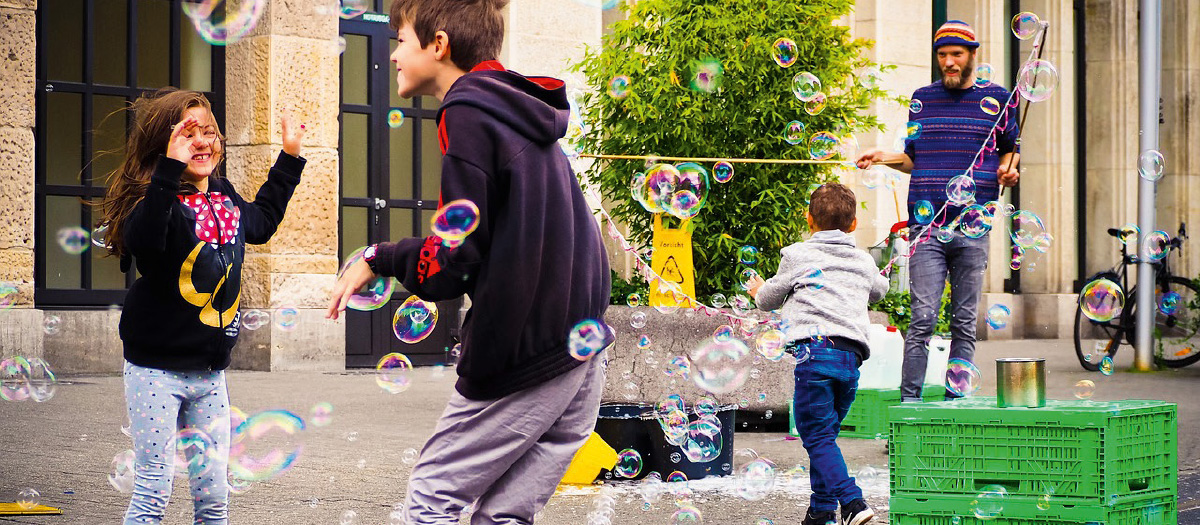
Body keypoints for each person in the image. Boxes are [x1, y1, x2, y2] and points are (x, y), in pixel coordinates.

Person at [325, 0, 610, 523]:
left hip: (527, 350)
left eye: (401, 40)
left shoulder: (468, 111)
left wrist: (381, 255)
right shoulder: (517, 108)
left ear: (438, 45)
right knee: (503, 515)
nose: (392, 56)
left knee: (432, 497)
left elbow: (451, 258)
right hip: (581, 344)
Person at [95, 87, 306, 524]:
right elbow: (147, 245)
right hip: (155, 369)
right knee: (154, 489)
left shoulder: (225, 196)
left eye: (209, 131)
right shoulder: (157, 204)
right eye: (187, 133)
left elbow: (262, 222)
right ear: (164, 147)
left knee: (213, 496)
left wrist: (288, 157)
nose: (202, 141)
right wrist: (167, 174)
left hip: (211, 373)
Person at [856, 20, 1020, 403]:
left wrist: (1010, 169)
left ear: (972, 56)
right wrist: (884, 157)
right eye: (942, 55)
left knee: (964, 322)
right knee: (922, 319)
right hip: (927, 227)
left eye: (956, 54)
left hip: (973, 225)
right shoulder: (923, 98)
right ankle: (909, 410)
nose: (948, 62)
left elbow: (1010, 150)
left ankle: (954, 409)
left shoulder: (998, 99)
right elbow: (913, 159)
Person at [748, 183, 888, 525]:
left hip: (815, 356)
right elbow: (880, 292)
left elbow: (767, 299)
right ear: (854, 225)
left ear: (809, 220)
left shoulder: (797, 255)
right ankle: (821, 511)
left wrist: (756, 288)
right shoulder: (863, 259)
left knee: (817, 437)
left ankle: (853, 503)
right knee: (826, 437)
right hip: (850, 358)